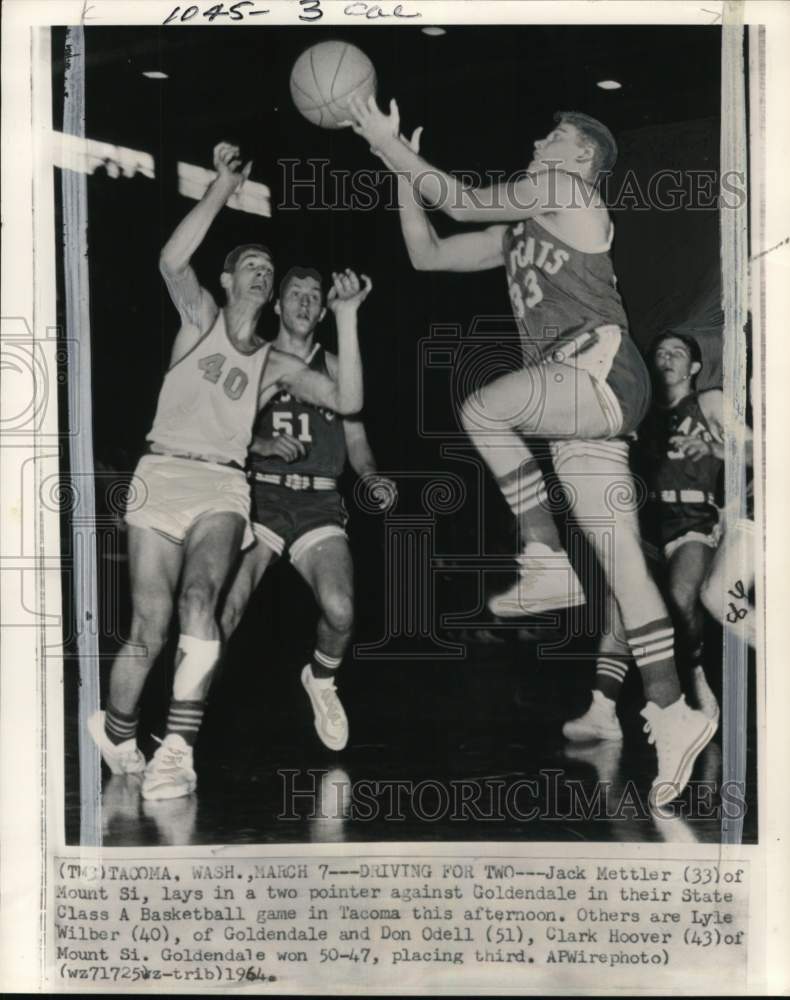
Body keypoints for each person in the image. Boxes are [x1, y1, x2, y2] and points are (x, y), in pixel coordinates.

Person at [346, 99, 716, 806]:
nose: (540, 138)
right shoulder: (521, 228)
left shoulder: (566, 191)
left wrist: (385, 140)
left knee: (482, 406)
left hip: (598, 369)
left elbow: (456, 195)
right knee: (623, 567)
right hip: (577, 404)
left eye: (558, 135)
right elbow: (428, 253)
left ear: (581, 160)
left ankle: (543, 553)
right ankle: (672, 713)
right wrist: (397, 172)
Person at [88, 143, 364, 801]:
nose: (264, 274)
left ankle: (178, 748)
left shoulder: (275, 363)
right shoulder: (200, 319)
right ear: (230, 279)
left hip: (221, 485)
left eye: (270, 268)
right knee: (147, 631)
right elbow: (170, 260)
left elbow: (349, 401)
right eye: (253, 266)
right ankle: (119, 731)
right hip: (161, 473)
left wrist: (347, 320)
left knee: (197, 601)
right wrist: (220, 187)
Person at [220, 266, 393, 751]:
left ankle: (321, 680)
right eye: (294, 294)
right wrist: (260, 443)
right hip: (262, 499)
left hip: (318, 502)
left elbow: (357, 440)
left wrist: (373, 476)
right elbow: (220, 429)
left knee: (340, 612)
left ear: (322, 310)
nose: (303, 303)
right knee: (226, 610)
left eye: (313, 296)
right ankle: (180, 728)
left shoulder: (338, 368)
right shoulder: (253, 359)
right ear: (277, 304)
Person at [564, 332, 724, 742]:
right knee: (622, 607)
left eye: (677, 353)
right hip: (646, 515)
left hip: (694, 515)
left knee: (682, 595)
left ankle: (693, 676)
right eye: (660, 352)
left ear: (693, 367)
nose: (666, 358)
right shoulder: (636, 409)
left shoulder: (710, 402)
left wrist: (715, 453)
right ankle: (602, 711)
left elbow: (757, 450)